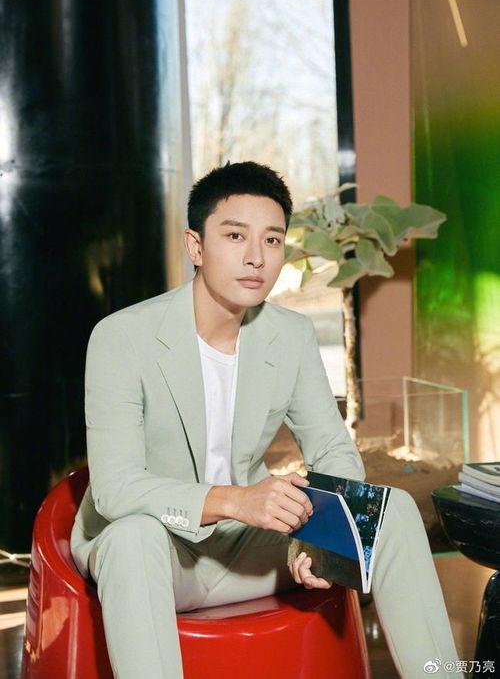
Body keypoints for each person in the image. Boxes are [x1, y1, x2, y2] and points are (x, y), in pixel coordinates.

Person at [70, 161, 463, 679]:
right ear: (195, 246)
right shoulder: (121, 338)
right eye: (235, 236)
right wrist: (237, 500)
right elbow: (116, 489)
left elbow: (332, 448)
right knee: (131, 538)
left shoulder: (290, 335)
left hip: (250, 547)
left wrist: (319, 534)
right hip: (159, 553)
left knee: (394, 512)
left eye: (273, 240)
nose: (256, 257)